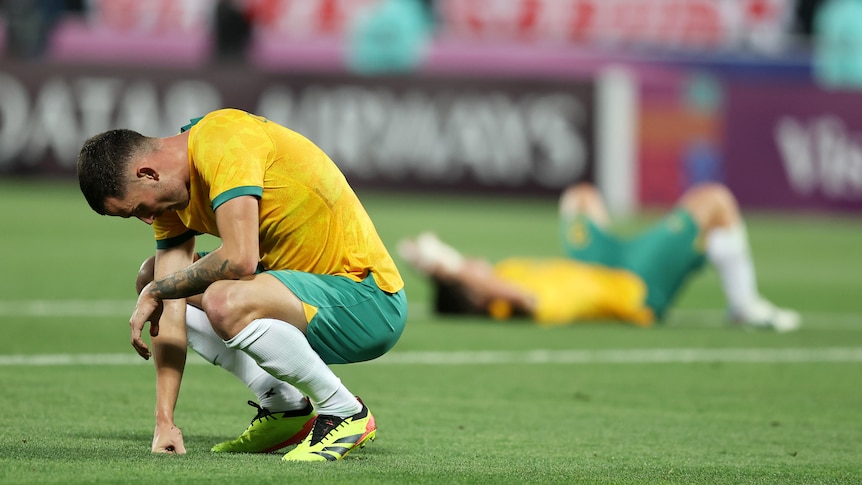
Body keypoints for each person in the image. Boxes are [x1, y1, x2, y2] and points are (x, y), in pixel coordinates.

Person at [76, 108, 407, 461]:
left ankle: (345, 411)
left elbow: (240, 259)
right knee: (153, 274)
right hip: (297, 296)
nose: (147, 219)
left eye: (137, 208)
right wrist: (165, 421)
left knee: (221, 297)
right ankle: (284, 406)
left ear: (148, 173)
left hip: (366, 301)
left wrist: (157, 290)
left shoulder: (223, 139)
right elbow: (169, 304)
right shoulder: (172, 196)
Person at [398, 182, 800, 332]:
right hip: (636, 286)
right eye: (466, 270)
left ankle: (698, 251)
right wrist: (450, 268)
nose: (472, 262)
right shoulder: (515, 300)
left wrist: (432, 266)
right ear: (480, 296)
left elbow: (470, 280)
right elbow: (516, 296)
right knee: (715, 201)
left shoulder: (498, 277)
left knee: (580, 197)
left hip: (604, 263)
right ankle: (744, 306)